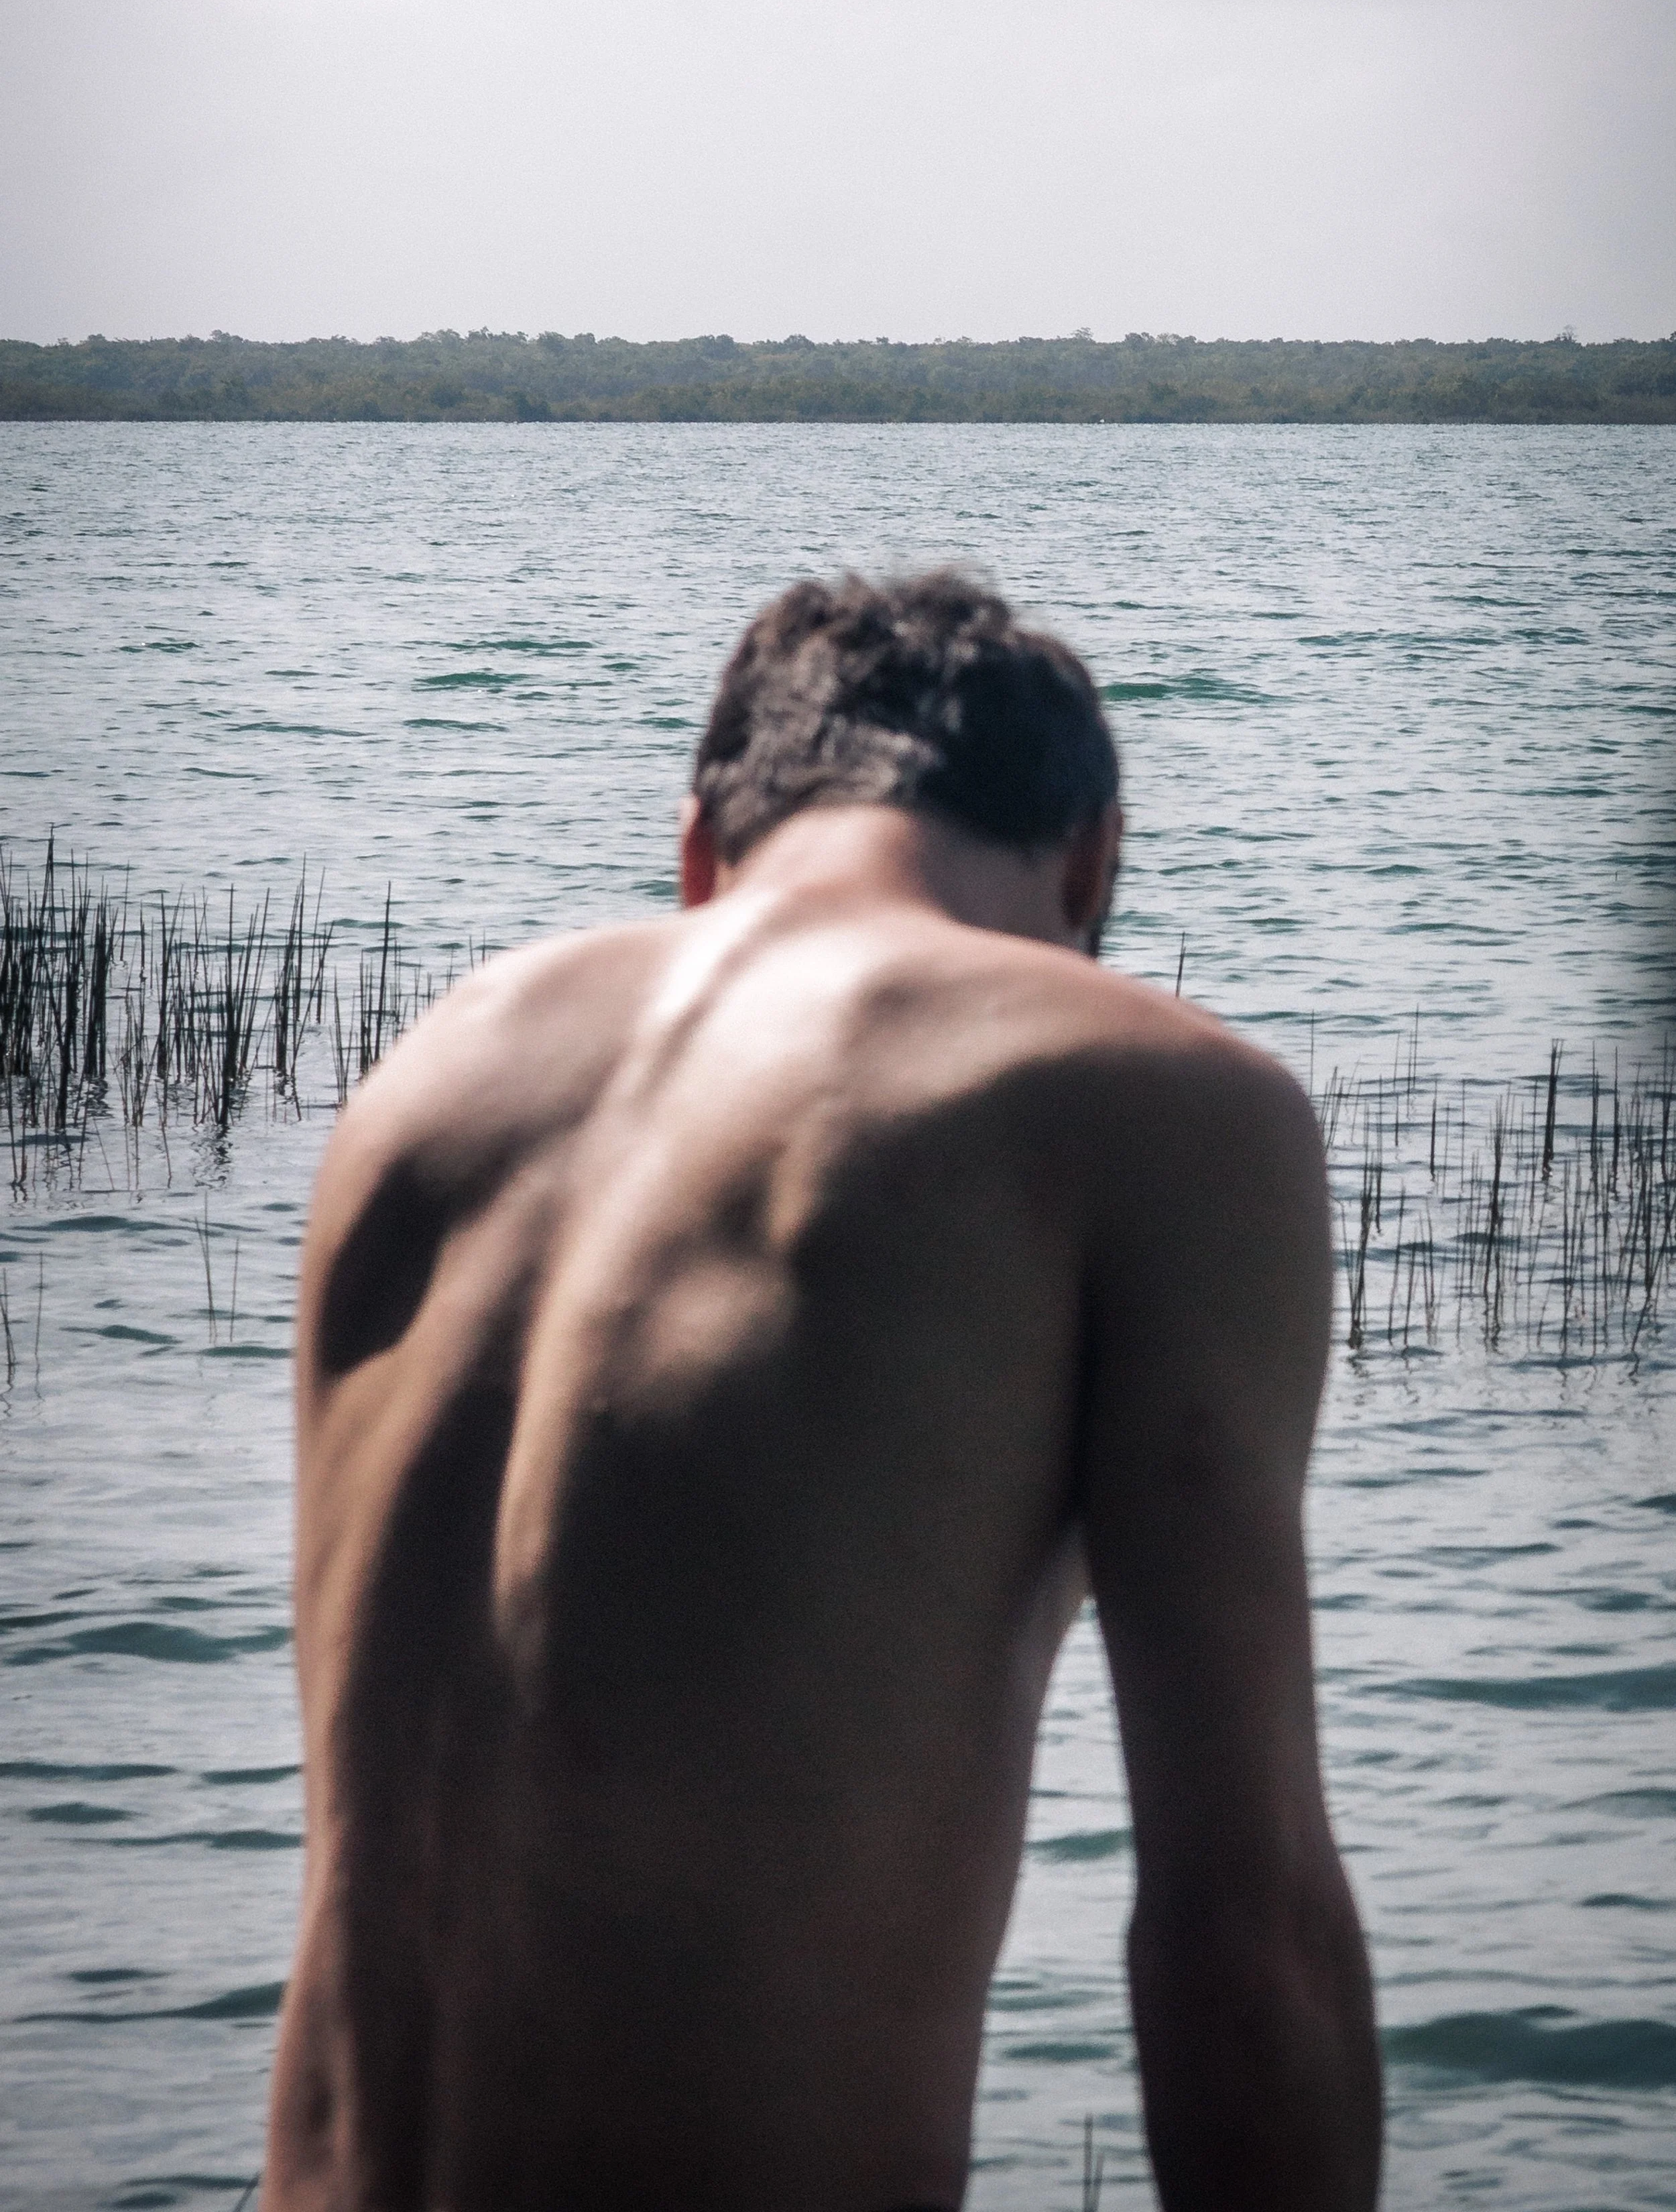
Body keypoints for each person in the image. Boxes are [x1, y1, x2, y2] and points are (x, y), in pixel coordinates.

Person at [265, 570, 1380, 2212]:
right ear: (1093, 860)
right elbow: (1246, 1930)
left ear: (697, 847)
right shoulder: (1141, 1095)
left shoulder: (426, 1086)